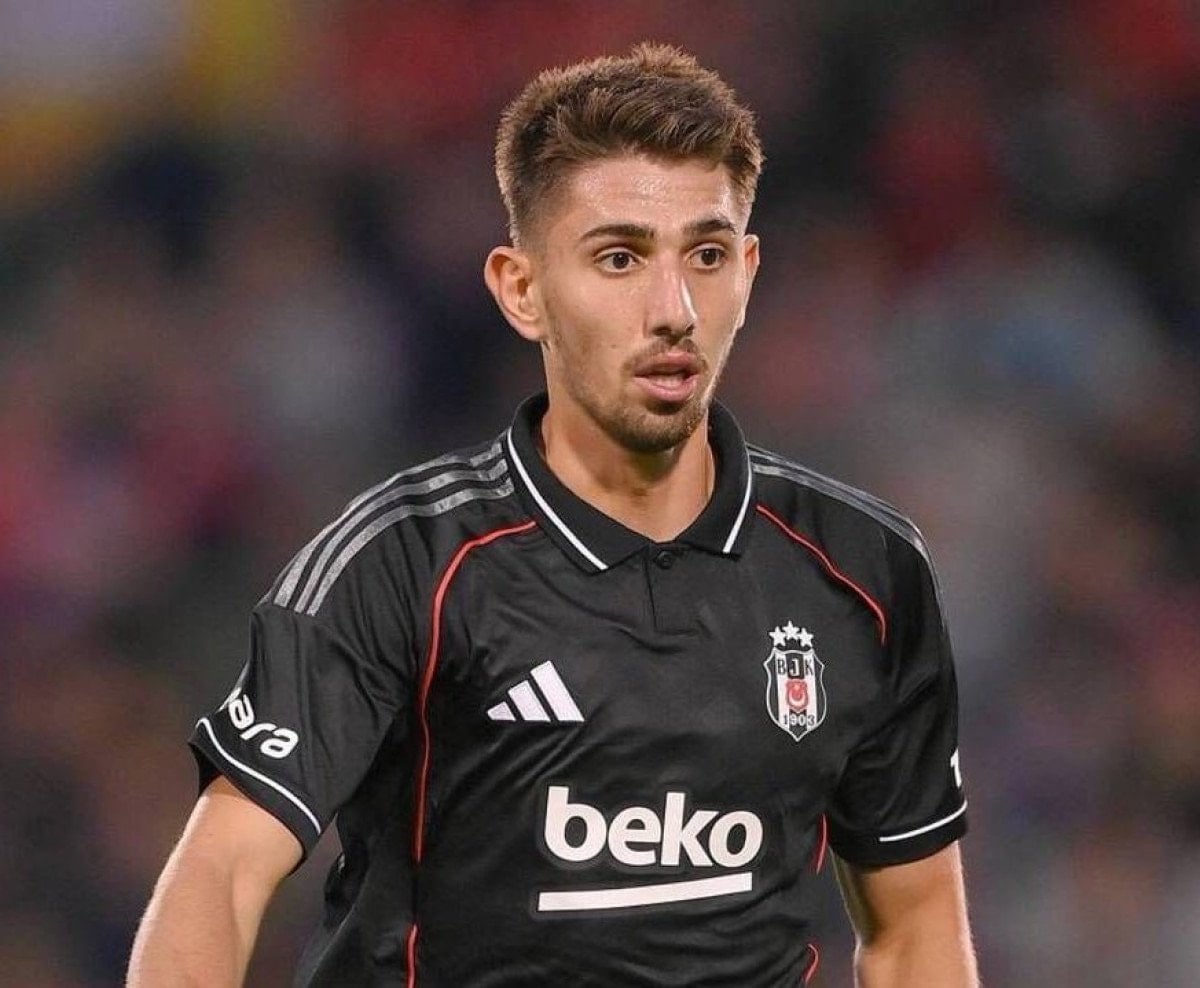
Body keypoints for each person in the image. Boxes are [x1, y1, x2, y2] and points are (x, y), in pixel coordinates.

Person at [128, 43, 976, 987]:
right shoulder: (403, 564)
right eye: (619, 258)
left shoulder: (864, 570)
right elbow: (220, 875)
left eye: (705, 255)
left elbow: (915, 928)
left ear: (748, 270)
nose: (673, 309)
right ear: (521, 289)